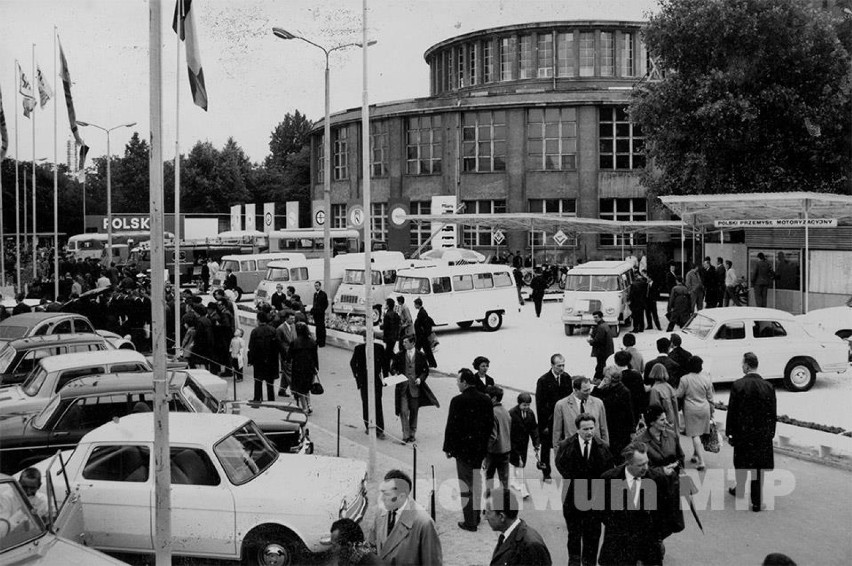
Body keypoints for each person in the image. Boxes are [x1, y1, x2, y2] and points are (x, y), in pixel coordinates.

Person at [554, 414, 613, 566]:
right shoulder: (566, 445)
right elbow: (560, 464)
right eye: (585, 429)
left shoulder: (603, 447)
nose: (589, 432)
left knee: (592, 537)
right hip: (573, 497)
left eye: (592, 428)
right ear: (578, 430)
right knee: (574, 536)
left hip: (594, 500)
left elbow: (607, 472)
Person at [598, 442, 669, 566]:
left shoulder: (658, 479)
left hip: (648, 548)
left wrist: (658, 538)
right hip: (618, 547)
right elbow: (601, 512)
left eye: (647, 462)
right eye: (640, 465)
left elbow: (665, 513)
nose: (646, 468)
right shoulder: (609, 479)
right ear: (628, 463)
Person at [443, 368, 493, 532]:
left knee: (466, 485)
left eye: (458, 381)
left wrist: (448, 448)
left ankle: (470, 522)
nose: (457, 384)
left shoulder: (457, 400)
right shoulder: (485, 399)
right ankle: (476, 516)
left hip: (462, 451)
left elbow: (451, 426)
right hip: (479, 450)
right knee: (476, 483)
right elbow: (489, 426)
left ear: (464, 382)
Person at [727, 352, 777, 512]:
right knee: (758, 467)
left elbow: (732, 412)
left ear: (747, 365)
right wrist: (770, 433)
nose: (742, 366)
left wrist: (730, 432)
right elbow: (772, 413)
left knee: (741, 462)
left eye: (742, 364)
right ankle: (756, 501)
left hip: (743, 432)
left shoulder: (737, 385)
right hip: (761, 434)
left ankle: (739, 489)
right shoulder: (768, 387)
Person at [633, 405, 685, 546]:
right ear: (652, 422)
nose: (666, 422)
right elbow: (636, 469)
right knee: (651, 521)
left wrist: (677, 467)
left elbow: (681, 457)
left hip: (670, 486)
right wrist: (662, 471)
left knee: (669, 520)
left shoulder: (672, 436)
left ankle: (658, 541)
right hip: (650, 488)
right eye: (662, 420)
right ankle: (655, 546)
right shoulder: (639, 442)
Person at [369, 469, 442, 566]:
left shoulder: (423, 523)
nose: (382, 498)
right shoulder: (381, 512)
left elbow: (432, 562)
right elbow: (372, 546)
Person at [485, 487, 552, 566]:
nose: (485, 517)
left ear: (501, 517)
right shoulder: (506, 535)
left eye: (488, 512)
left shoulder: (531, 547)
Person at [391, 335, 439, 443]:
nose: (403, 344)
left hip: (415, 388)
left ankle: (412, 433)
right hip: (402, 387)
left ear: (412, 343)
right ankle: (405, 434)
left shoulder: (420, 355)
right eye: (403, 342)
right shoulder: (399, 355)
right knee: (403, 411)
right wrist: (395, 373)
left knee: (414, 410)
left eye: (405, 342)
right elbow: (393, 367)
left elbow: (425, 370)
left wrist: (420, 379)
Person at [535, 354, 573, 482]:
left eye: (563, 365)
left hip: (563, 419)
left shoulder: (567, 378)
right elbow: (540, 405)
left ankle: (565, 471)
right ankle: (546, 472)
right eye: (559, 366)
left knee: (564, 445)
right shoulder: (543, 381)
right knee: (546, 448)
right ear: (552, 365)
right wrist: (543, 425)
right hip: (549, 420)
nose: (561, 368)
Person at [676, 356, 715, 470]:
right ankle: (694, 455)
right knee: (700, 434)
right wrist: (712, 411)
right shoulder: (706, 379)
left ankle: (701, 461)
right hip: (704, 408)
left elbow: (679, 394)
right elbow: (710, 398)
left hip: (691, 409)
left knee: (695, 434)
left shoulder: (684, 379)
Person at [592, 365, 634, 461]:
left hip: (619, 430)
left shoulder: (623, 391)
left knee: (617, 457)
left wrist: (632, 430)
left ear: (612, 378)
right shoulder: (606, 389)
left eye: (606, 377)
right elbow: (592, 401)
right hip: (609, 427)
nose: (604, 379)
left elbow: (629, 412)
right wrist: (598, 388)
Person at [553, 375, 609, 447]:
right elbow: (557, 434)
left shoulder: (598, 403)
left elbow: (604, 429)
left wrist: (606, 451)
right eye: (585, 391)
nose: (588, 393)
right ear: (576, 390)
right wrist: (558, 455)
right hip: (572, 450)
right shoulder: (561, 405)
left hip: (594, 450)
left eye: (589, 389)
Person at [350, 336, 387, 438]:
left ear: (373, 338)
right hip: (364, 380)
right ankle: (368, 426)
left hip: (376, 379)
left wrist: (385, 378)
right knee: (366, 403)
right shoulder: (359, 349)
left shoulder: (379, 348)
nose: (367, 339)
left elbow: (385, 363)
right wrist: (357, 377)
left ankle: (380, 429)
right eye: (365, 337)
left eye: (369, 337)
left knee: (377, 403)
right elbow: (353, 363)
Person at [508, 392, 539, 499]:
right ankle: (523, 489)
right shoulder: (511, 413)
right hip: (512, 443)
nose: (527, 407)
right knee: (518, 464)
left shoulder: (530, 413)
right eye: (524, 405)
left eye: (528, 405)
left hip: (524, 443)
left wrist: (536, 443)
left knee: (519, 464)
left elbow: (534, 429)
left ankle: (513, 481)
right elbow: (508, 431)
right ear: (519, 403)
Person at [247, 311, 279, 402]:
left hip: (259, 361)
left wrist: (250, 360)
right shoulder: (273, 330)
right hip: (271, 361)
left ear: (258, 320)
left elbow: (251, 347)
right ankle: (271, 400)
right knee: (270, 383)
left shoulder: (255, 331)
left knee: (258, 381)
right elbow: (277, 346)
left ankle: (257, 399)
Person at [485, 385, 512, 490]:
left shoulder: (491, 412)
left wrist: (485, 451)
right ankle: (506, 505)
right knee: (504, 480)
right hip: (506, 450)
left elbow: (492, 436)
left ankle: (488, 503)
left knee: (489, 478)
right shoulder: (505, 411)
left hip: (493, 452)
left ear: (494, 398)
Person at [290, 321, 319, 414]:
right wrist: (316, 368)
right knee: (307, 387)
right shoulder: (312, 342)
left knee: (300, 389)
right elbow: (315, 357)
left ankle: (304, 407)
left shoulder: (295, 342)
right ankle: (309, 405)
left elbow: (289, 356)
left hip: (298, 368)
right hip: (310, 368)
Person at [614, 350, 647, 425]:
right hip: (635, 408)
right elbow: (642, 393)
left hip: (621, 411)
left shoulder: (616, 376)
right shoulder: (637, 375)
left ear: (616, 362)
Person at [647, 363, 680, 434]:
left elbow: (655, 409)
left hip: (662, 422)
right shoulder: (669, 387)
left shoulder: (654, 389)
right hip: (672, 420)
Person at [275, 310, 297, 397]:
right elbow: (278, 343)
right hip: (285, 354)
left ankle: (282, 390)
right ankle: (295, 392)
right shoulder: (280, 329)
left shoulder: (293, 326)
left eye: (294, 318)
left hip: (293, 352)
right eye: (291, 318)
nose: (293, 320)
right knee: (290, 373)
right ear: (286, 318)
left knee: (286, 372)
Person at [588, 311, 614, 382]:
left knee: (600, 366)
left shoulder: (601, 327)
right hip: (606, 350)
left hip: (602, 351)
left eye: (596, 317)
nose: (595, 319)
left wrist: (590, 341)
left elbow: (598, 340)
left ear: (601, 317)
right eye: (594, 317)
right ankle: (598, 378)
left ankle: (597, 379)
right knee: (601, 366)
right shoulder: (604, 325)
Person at [412, 298, 437, 367]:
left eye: (415, 304)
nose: (414, 305)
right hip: (422, 335)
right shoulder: (422, 311)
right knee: (426, 350)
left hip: (421, 336)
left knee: (419, 350)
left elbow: (422, 324)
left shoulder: (421, 313)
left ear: (417, 304)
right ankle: (432, 363)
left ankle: (414, 363)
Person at [380, 298, 401, 363]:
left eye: (385, 304)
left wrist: (381, 326)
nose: (384, 305)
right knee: (389, 351)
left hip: (388, 337)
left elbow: (386, 326)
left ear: (388, 305)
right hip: (394, 336)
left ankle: (398, 361)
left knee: (388, 352)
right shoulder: (396, 314)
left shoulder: (387, 315)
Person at [311, 281, 329, 347]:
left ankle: (322, 342)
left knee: (321, 327)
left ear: (320, 286)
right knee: (317, 327)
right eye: (315, 286)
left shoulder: (323, 294)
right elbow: (314, 303)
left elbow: (326, 304)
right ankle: (318, 340)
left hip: (320, 313)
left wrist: (321, 310)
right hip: (316, 313)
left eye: (317, 286)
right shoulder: (315, 294)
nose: (316, 287)